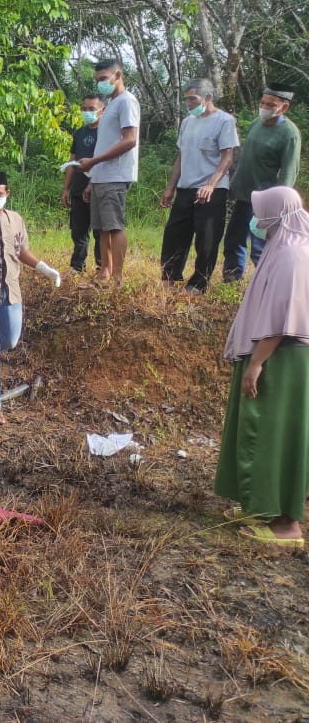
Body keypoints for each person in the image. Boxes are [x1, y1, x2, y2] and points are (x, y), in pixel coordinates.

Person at [215, 186, 309, 548]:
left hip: (280, 357)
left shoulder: (292, 255)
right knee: (258, 430)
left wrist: (256, 363)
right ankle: (261, 505)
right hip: (272, 354)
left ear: (278, 212)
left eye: (262, 210)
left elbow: (282, 317)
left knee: (274, 436)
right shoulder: (283, 247)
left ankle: (286, 525)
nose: (257, 218)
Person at [0, 172, 61, 425]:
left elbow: (22, 251)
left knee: (8, 341)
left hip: (11, 291)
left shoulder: (16, 219)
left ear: (7, 193)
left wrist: (44, 268)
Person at [159, 79, 239, 293]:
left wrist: (211, 185)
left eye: (193, 99)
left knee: (207, 239)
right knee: (174, 235)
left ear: (208, 97)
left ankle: (198, 284)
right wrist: (170, 188)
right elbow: (181, 157)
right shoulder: (187, 122)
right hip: (186, 188)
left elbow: (227, 158)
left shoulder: (224, 121)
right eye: (186, 99)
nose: (189, 103)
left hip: (212, 190)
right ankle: (170, 279)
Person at [222, 84, 302, 282]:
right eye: (263, 102)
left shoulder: (289, 134)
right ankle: (232, 280)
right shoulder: (257, 122)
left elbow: (289, 172)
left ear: (284, 108)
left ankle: (267, 286)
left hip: (266, 203)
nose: (265, 107)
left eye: (271, 104)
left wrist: (278, 207)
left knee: (261, 248)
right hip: (244, 196)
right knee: (234, 240)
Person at [78, 58, 140, 289]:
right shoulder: (111, 104)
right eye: (98, 80)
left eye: (104, 79)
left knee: (114, 226)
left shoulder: (127, 102)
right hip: (102, 176)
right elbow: (105, 144)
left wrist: (94, 161)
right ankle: (104, 275)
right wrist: (92, 179)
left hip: (116, 175)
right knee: (102, 228)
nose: (100, 84)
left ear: (118, 75)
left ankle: (117, 278)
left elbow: (130, 140)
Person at [62, 94, 104, 273]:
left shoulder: (106, 133)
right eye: (84, 109)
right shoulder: (79, 133)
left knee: (100, 232)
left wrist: (92, 183)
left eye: (92, 109)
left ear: (102, 110)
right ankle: (77, 267)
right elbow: (72, 162)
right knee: (78, 231)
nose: (87, 112)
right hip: (78, 189)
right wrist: (66, 188)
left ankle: (102, 268)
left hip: (99, 188)